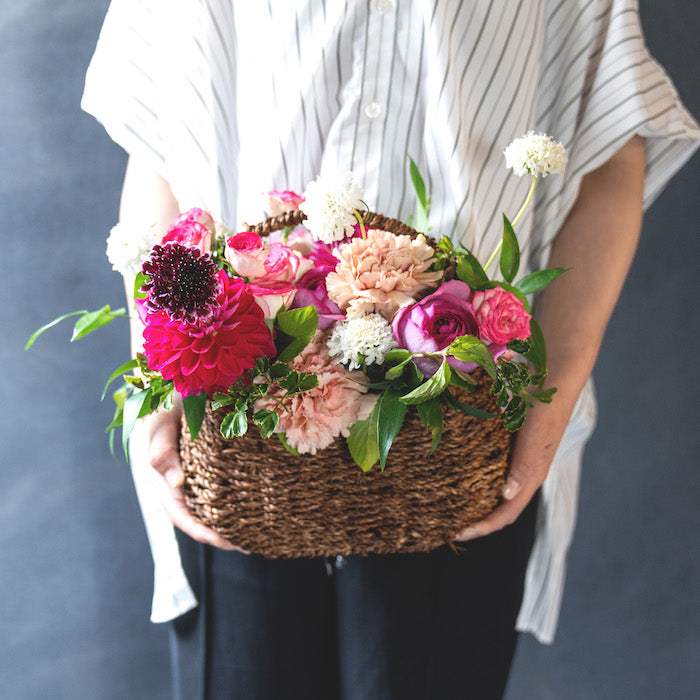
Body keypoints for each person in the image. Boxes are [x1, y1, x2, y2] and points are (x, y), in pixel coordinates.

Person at [82, 1, 699, 698]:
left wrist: (544, 407)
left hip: (460, 431)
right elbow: (160, 138)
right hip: (238, 429)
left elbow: (612, 146)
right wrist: (162, 374)